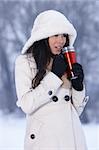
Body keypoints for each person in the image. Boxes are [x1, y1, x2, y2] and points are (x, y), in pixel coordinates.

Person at [15, 10, 89, 150]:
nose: (61, 41)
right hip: (44, 141)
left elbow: (75, 111)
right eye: (55, 35)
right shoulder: (25, 62)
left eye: (64, 36)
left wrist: (79, 86)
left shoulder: (66, 61)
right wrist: (54, 76)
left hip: (71, 140)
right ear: (43, 36)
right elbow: (27, 104)